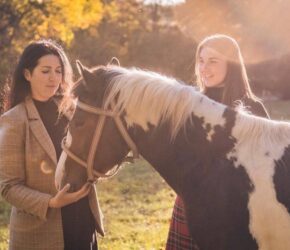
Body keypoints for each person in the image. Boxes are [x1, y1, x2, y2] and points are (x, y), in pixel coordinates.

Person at [165, 34, 269, 250]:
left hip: (237, 209)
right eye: (201, 60)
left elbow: (268, 165)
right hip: (192, 203)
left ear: (231, 64)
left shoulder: (253, 109)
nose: (204, 68)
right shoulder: (192, 104)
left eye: (213, 61)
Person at [0, 39, 104, 250]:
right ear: (28, 74)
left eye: (58, 71)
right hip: (41, 231)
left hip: (83, 219)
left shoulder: (72, 111)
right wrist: (52, 202)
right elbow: (8, 187)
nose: (54, 78)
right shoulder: (13, 120)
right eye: (46, 71)